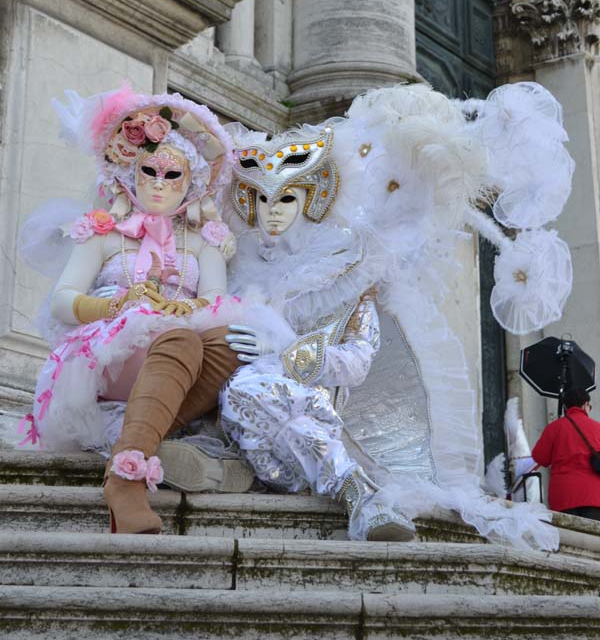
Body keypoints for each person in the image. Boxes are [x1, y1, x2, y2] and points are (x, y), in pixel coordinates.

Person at [219, 82, 573, 550]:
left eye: (286, 199)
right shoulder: (241, 267)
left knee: (251, 390)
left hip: (316, 410)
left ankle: (358, 492)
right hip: (243, 409)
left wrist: (286, 350)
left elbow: (356, 360)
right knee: (237, 393)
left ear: (311, 199)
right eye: (262, 199)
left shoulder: (356, 276)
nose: (273, 213)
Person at [19, 85, 259, 534]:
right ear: (130, 171)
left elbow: (219, 304)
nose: (159, 183)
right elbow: (62, 300)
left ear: (192, 182)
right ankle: (127, 481)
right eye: (149, 171)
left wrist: (180, 308)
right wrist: (120, 303)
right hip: (111, 354)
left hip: (180, 353)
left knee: (231, 341)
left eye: (173, 175)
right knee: (182, 340)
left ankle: (136, 444)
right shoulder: (103, 233)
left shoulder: (203, 241)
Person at [532, 387, 600, 521]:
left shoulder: (554, 428)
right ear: (586, 404)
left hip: (563, 496)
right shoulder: (598, 428)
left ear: (565, 406)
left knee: (567, 534)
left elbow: (540, 457)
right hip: (594, 497)